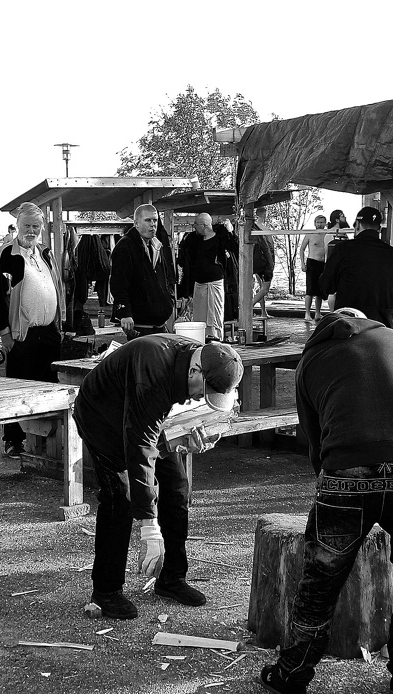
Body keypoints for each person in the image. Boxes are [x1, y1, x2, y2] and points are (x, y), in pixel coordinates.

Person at [256, 308, 393, 694]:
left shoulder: (311, 360)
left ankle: (291, 677)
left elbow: (313, 436)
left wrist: (333, 488)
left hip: (346, 467)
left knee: (320, 583)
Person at [74, 336, 244, 619]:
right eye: (203, 392)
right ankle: (106, 591)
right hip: (102, 416)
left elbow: (170, 419)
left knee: (177, 487)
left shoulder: (200, 357)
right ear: (194, 372)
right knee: (121, 496)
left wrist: (192, 433)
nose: (201, 398)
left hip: (145, 416)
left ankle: (171, 578)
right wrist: (149, 529)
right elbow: (140, 448)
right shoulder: (153, 374)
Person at [0, 202, 65, 459]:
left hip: (49, 332)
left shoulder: (45, 253)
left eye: (36, 226)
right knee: (19, 388)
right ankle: (13, 439)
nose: (31, 231)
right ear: (17, 227)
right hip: (23, 334)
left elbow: (57, 287)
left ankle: (46, 441)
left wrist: (60, 325)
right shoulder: (5, 254)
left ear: (42, 228)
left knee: (49, 386)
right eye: (26, 226)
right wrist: (4, 333)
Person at [319, 206, 393, 328]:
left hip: (350, 324)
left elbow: (326, 286)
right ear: (379, 229)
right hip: (383, 324)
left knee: (316, 345)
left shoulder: (343, 249)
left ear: (357, 225)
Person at [111, 204, 179, 338]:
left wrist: (169, 299)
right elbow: (118, 283)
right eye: (148, 220)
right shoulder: (125, 246)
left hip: (159, 322)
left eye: (155, 220)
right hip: (140, 323)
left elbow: (165, 277)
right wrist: (124, 312)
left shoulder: (157, 245)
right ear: (136, 223)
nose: (153, 224)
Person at [177, 213, 238, 340]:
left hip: (215, 282)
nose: (194, 227)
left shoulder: (220, 238)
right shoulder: (194, 239)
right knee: (199, 316)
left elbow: (235, 247)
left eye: (196, 224)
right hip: (199, 283)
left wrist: (230, 232)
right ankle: (200, 339)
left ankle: (216, 338)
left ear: (204, 225)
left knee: (214, 315)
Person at [298, 215, 329, 322]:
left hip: (323, 263)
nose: (320, 224)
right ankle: (307, 313)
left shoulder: (327, 234)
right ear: (315, 223)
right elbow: (302, 249)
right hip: (312, 262)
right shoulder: (310, 234)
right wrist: (302, 264)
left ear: (325, 223)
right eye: (318, 222)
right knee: (310, 290)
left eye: (322, 222)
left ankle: (317, 313)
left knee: (320, 290)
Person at [251, 232, 275, 320]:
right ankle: (250, 306)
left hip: (258, 263)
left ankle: (263, 312)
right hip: (263, 263)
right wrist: (271, 265)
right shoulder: (263, 235)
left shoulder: (261, 234)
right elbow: (267, 250)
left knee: (261, 289)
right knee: (264, 289)